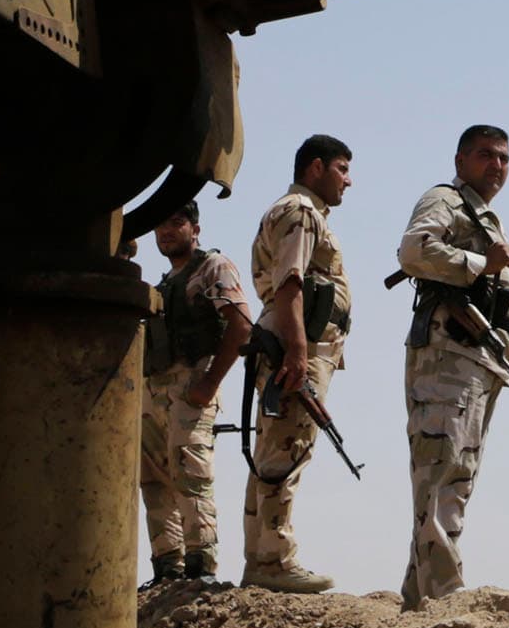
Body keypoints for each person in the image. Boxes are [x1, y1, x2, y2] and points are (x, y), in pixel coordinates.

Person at [393, 125, 509, 606]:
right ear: (460, 160)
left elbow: (494, 285)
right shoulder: (446, 200)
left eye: (504, 158)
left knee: (458, 472)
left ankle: (419, 596)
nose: (496, 165)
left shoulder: (487, 215)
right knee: (440, 466)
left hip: (481, 358)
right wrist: (478, 262)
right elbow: (412, 251)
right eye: (485, 155)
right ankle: (446, 591)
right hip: (447, 354)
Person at [241, 136, 353, 593]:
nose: (349, 180)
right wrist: (299, 353)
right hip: (296, 345)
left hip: (292, 342)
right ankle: (274, 560)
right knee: (287, 449)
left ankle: (262, 558)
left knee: (274, 449)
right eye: (342, 169)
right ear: (316, 168)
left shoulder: (291, 211)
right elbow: (290, 283)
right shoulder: (302, 212)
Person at [141, 201, 255, 586]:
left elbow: (240, 326)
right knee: (154, 479)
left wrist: (209, 384)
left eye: (176, 222)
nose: (167, 232)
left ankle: (200, 565)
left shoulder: (212, 268)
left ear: (195, 228)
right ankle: (167, 566)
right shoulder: (165, 283)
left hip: (191, 384)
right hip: (154, 388)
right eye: (160, 226)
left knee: (190, 472)